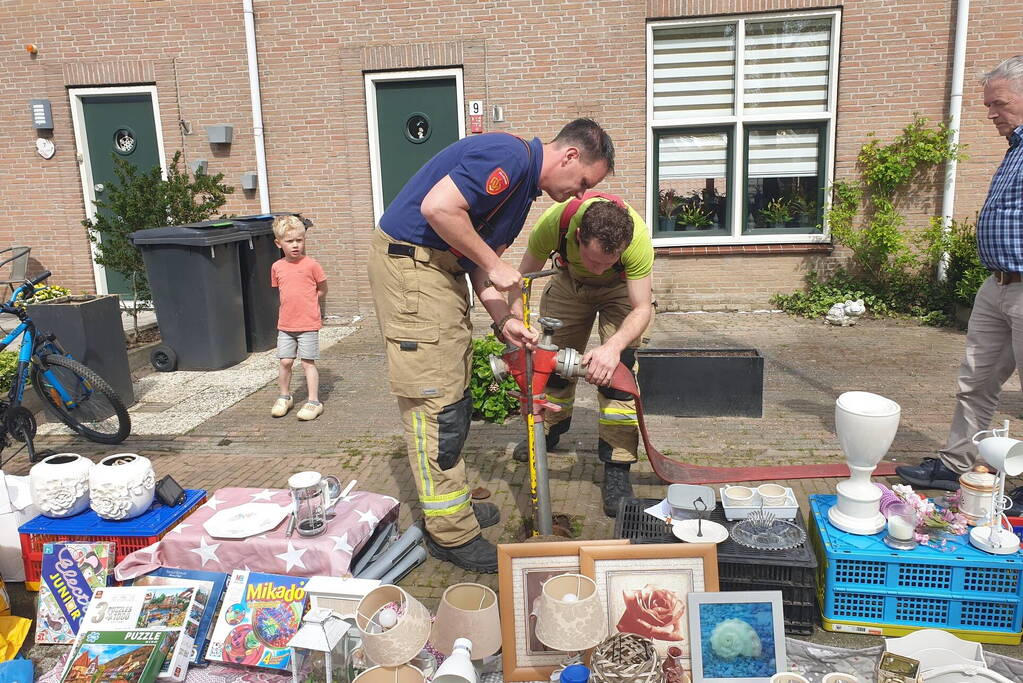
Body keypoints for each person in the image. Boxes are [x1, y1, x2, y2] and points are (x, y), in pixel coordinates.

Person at [368, 119, 614, 572]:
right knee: (434, 403)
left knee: (454, 399)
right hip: (413, 270)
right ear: (570, 156)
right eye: (582, 183)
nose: (579, 196)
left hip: (437, 274)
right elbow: (439, 209)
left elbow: (483, 266)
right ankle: (450, 535)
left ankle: (452, 506)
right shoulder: (509, 156)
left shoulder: (522, 193)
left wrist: (503, 320)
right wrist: (493, 265)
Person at [897, 55, 1023, 491]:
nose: (991, 113)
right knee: (976, 382)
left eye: (1000, 104)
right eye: (989, 104)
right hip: (998, 284)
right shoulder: (1016, 151)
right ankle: (957, 465)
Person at [509, 195, 654, 517]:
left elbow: (642, 307)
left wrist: (613, 348)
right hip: (568, 284)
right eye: (593, 259)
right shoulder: (554, 223)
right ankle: (552, 430)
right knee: (552, 364)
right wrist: (516, 322)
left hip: (620, 291)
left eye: (608, 260)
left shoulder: (638, 240)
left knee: (618, 378)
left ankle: (617, 468)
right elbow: (521, 282)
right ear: (577, 238)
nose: (600, 268)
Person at [270, 215, 328, 421]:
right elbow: (283, 292)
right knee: (285, 361)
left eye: (299, 240)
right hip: (286, 324)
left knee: (307, 363)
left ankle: (314, 402)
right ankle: (284, 397)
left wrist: (311, 305)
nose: (295, 245)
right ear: (279, 243)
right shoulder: (277, 267)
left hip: (308, 324)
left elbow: (322, 289)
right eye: (289, 241)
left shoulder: (312, 265)